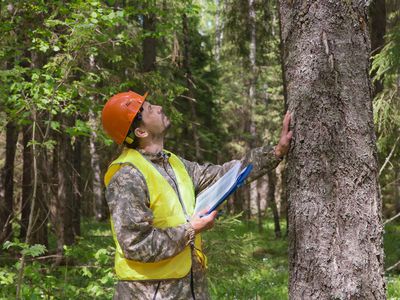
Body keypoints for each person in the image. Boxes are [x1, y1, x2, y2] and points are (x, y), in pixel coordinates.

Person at [102, 91, 292, 300]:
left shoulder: (174, 163)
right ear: (140, 132)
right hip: (148, 293)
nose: (159, 107)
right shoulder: (127, 177)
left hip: (190, 287)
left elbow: (222, 176)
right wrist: (191, 229)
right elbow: (136, 245)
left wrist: (276, 152)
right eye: (149, 109)